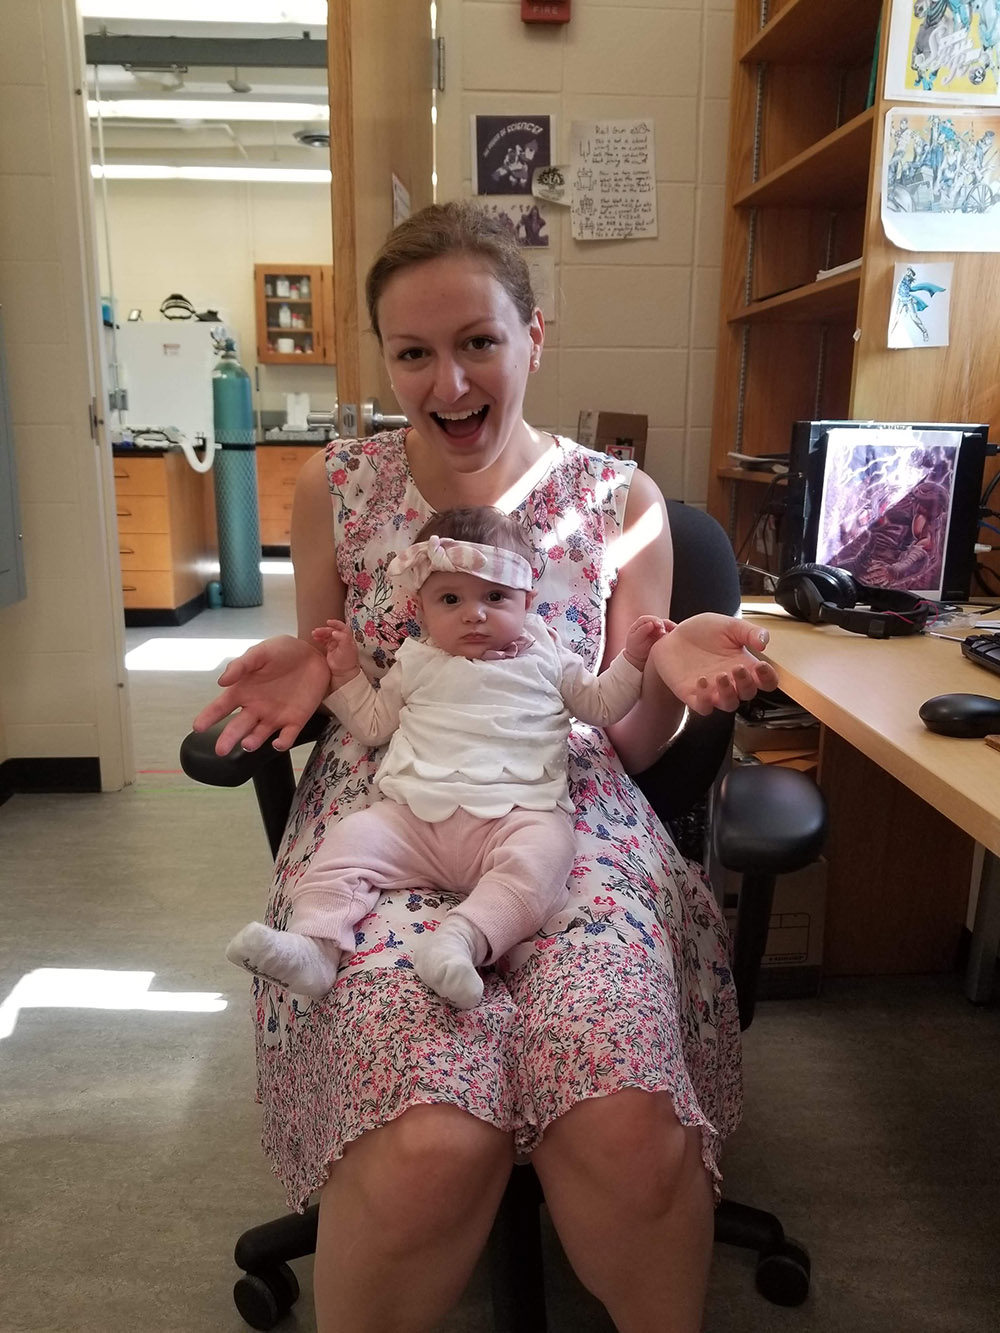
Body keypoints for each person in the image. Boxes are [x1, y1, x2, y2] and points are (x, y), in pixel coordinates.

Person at [194, 199, 778, 1333]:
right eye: (415, 352)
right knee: (425, 1134)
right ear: (387, 359)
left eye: (477, 343)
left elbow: (625, 741)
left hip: (564, 811)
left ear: (533, 339)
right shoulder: (336, 490)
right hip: (389, 796)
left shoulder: (620, 503)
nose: (448, 382)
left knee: (621, 1108)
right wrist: (316, 678)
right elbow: (343, 680)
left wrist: (662, 671)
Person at [226, 505, 665, 1008]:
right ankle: (314, 947)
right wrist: (344, 674)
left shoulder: (549, 655)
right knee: (347, 841)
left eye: (495, 597)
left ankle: (458, 943)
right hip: (412, 819)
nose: (473, 613)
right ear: (421, 610)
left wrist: (633, 658)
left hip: (516, 816)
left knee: (547, 858)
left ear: (529, 600)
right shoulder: (415, 660)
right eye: (450, 599)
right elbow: (372, 726)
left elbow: (603, 705)